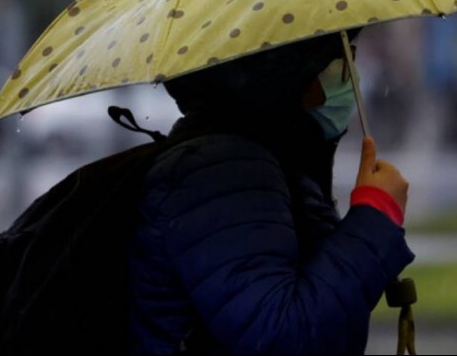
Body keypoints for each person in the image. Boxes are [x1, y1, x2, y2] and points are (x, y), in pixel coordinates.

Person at [127, 32, 414, 355]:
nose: (351, 71)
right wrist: (375, 217)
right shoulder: (224, 173)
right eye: (342, 57)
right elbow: (284, 339)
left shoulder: (262, 159)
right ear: (291, 73)